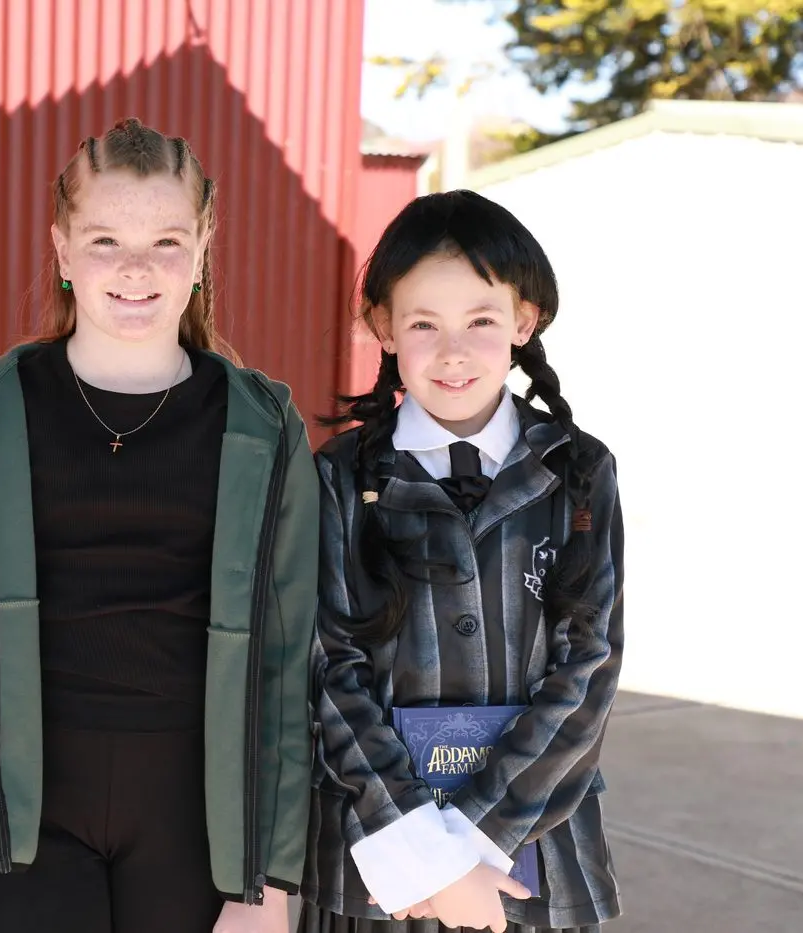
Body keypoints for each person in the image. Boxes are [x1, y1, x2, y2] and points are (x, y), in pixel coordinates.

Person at [0, 118, 318, 933]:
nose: (136, 268)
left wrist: (266, 882)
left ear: (204, 244)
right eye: (105, 238)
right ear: (63, 250)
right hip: (29, 821)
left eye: (166, 240)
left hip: (198, 821)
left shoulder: (260, 423)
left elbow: (283, 668)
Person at [301, 189, 624, 933]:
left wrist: (478, 840)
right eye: (423, 323)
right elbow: (327, 667)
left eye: (480, 320)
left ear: (522, 319)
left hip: (529, 847)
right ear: (381, 326)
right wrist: (427, 851)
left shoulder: (577, 471)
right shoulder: (339, 475)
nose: (452, 350)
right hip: (381, 853)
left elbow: (588, 666)